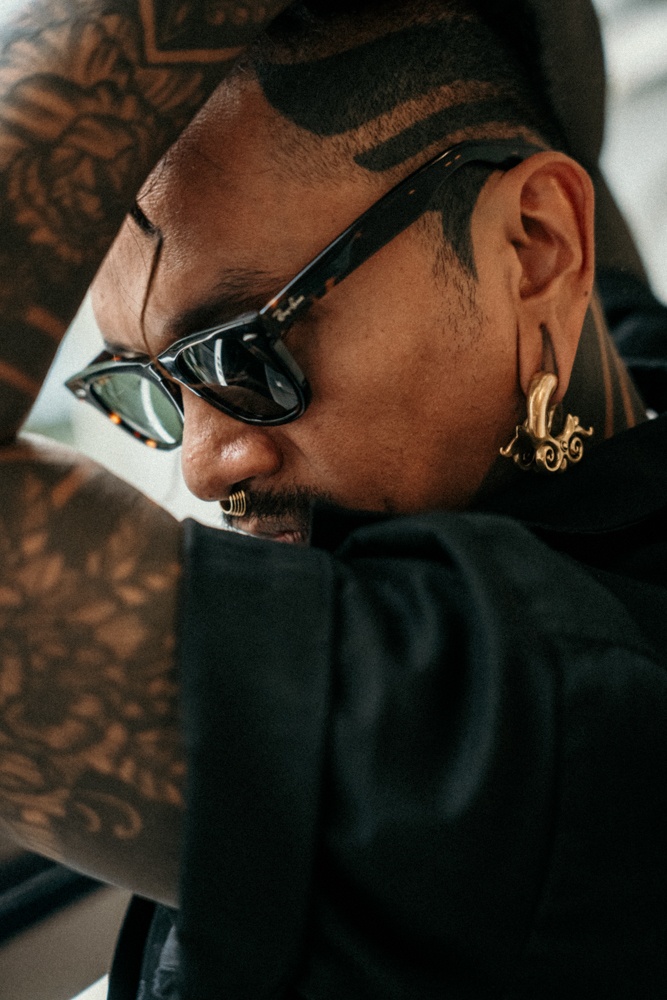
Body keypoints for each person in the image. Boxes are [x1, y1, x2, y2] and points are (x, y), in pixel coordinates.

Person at [0, 1, 666, 997]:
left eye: (244, 355)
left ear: (536, 248)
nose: (202, 464)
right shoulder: (615, 375)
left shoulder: (511, 732)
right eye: (142, 386)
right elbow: (548, 88)